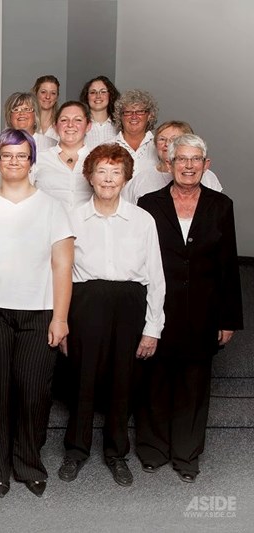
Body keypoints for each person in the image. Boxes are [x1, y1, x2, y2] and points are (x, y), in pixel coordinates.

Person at [0, 128, 74, 498]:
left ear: (31, 161)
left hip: (39, 314)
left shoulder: (53, 209)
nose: (13, 161)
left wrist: (60, 318)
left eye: (21, 155)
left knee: (34, 392)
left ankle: (28, 463)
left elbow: (62, 268)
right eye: (7, 155)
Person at [135, 134, 243, 484]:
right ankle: (152, 449)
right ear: (169, 164)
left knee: (194, 383)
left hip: (203, 308)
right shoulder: (148, 204)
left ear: (205, 165)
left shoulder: (220, 205)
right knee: (155, 378)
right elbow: (140, 260)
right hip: (159, 308)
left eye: (195, 159)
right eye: (181, 159)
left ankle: (186, 455)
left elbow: (228, 265)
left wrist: (228, 318)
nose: (188, 165)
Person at [57, 144, 165, 487]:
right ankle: (76, 451)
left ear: (125, 178)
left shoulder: (143, 220)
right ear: (89, 177)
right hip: (86, 302)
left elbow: (156, 276)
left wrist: (153, 327)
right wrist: (60, 321)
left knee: (123, 380)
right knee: (82, 378)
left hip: (130, 303)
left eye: (115, 172)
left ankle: (117, 453)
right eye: (101, 171)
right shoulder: (72, 217)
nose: (108, 178)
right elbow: (59, 272)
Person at [122, 120, 223, 204]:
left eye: (174, 140)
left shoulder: (208, 177)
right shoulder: (141, 179)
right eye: (162, 139)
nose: (167, 144)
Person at [33, 101, 94, 210]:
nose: (70, 125)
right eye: (64, 120)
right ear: (55, 126)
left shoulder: (98, 160)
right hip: (48, 225)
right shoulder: (38, 159)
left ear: (88, 126)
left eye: (78, 120)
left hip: (87, 225)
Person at [113, 89, 159, 176]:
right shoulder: (107, 146)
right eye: (128, 112)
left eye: (140, 112)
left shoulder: (159, 146)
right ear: (120, 117)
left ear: (149, 116)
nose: (134, 116)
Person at [79, 75, 120, 148]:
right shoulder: (78, 125)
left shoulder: (120, 126)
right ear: (86, 96)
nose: (98, 96)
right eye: (93, 92)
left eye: (103, 92)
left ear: (110, 95)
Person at [32, 75, 60, 141]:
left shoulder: (62, 124)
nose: (48, 96)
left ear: (56, 97)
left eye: (53, 93)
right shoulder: (26, 122)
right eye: (43, 92)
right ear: (36, 94)